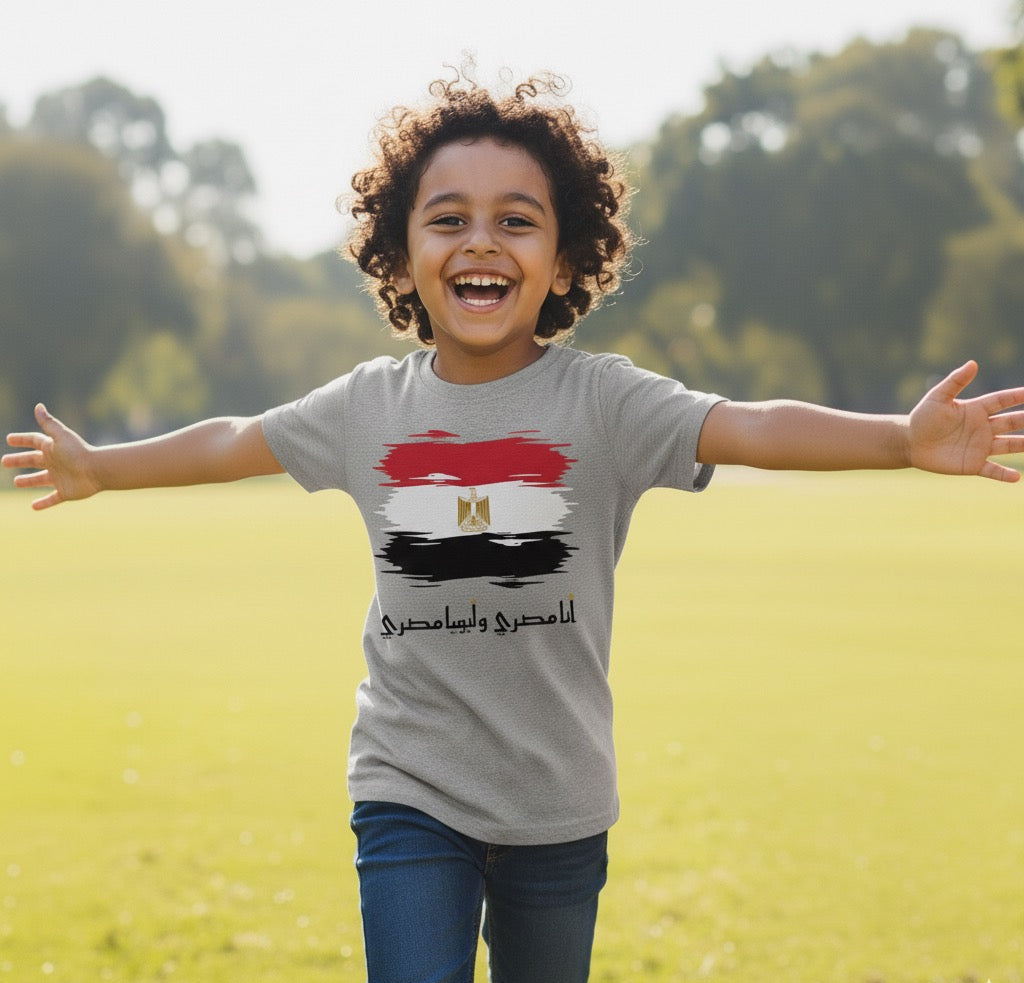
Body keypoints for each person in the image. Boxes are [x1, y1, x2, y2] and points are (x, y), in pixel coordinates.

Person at [4, 72, 1024, 983]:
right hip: (408, 781)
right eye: (446, 219)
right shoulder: (365, 406)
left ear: (566, 252)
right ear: (400, 255)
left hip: (558, 798)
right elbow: (234, 440)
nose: (481, 241)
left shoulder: (606, 402)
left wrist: (899, 436)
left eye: (516, 220)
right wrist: (103, 467)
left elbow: (748, 423)